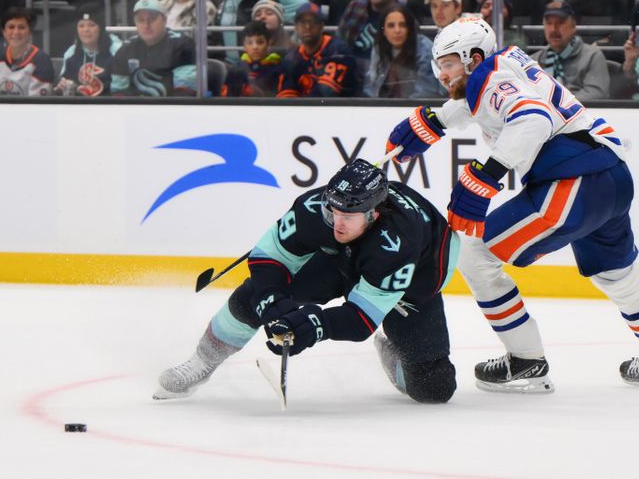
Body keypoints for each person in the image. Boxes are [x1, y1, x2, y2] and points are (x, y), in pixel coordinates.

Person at [385, 17, 639, 393]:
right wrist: (434, 121)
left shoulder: (492, 79)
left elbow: (533, 118)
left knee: (475, 254)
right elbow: (481, 104)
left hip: (571, 183)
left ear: (474, 58)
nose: (442, 74)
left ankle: (526, 360)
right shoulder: (505, 64)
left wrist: (489, 173)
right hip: (609, 176)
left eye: (449, 63)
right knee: (619, 275)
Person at [154, 158, 460, 405]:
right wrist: (273, 302)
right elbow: (267, 259)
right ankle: (201, 362)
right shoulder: (316, 208)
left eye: (348, 216)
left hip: (414, 281)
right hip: (340, 261)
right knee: (255, 295)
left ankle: (393, 353)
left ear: (374, 214)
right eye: (333, 211)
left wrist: (314, 325)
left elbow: (360, 319)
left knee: (434, 388)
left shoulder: (397, 243)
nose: (337, 222)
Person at [111, 0, 197, 97]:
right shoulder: (126, 49)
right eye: (140, 20)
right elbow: (118, 92)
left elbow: (184, 92)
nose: (146, 25)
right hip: (135, 110)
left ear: (164, 20)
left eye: (152, 19)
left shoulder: (182, 45)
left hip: (170, 109)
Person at [531, 0, 610, 100]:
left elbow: (597, 94)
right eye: (549, 23)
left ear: (573, 26)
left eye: (560, 22)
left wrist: (559, 106)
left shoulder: (592, 56)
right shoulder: (534, 61)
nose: (553, 29)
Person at [278, 2, 359, 97]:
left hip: (340, 108)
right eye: (303, 22)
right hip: (304, 108)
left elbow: (325, 93)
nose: (308, 27)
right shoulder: (292, 57)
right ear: (295, 27)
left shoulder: (338, 51)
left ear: (321, 26)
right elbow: (286, 93)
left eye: (313, 22)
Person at [337, 0, 400, 79]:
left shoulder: (402, 15)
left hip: (384, 78)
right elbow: (339, 44)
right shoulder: (355, 6)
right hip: (350, 73)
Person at [364, 4, 440, 98]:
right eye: (391, 26)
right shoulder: (379, 47)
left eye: (402, 25)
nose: (397, 30)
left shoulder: (425, 49)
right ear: (384, 31)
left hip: (413, 107)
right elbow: (371, 87)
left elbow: (426, 93)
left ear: (409, 29)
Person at [0, 7, 54, 96]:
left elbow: (37, 103)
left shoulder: (42, 61)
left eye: (21, 27)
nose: (16, 32)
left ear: (30, 32)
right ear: (4, 32)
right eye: (11, 27)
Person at [55, 5, 123, 97]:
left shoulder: (116, 49)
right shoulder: (71, 52)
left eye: (91, 25)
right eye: (81, 26)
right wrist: (61, 85)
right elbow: (64, 81)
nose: (86, 30)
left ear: (100, 28)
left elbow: (120, 89)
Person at [224, 20, 286, 96]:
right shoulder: (236, 69)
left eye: (260, 42)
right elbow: (228, 98)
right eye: (249, 43)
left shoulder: (280, 68)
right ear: (244, 46)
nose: (255, 47)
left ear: (268, 44)